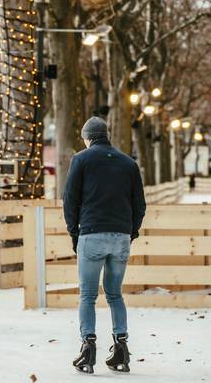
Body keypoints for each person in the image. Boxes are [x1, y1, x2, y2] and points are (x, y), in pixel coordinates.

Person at [64, 116, 146, 374]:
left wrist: (74, 234)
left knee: (87, 295)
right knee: (114, 294)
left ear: (88, 137)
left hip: (92, 233)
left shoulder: (81, 160)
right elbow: (139, 204)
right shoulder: (128, 163)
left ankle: (88, 350)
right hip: (120, 236)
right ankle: (121, 348)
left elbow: (70, 201)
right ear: (106, 134)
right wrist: (131, 232)